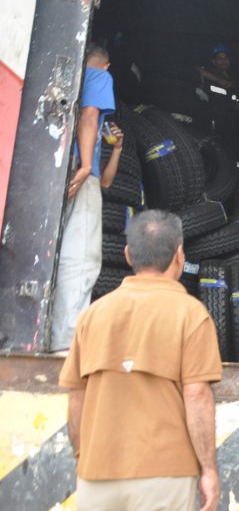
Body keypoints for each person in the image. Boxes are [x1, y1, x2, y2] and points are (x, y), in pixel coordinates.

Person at [59, 210, 222, 511]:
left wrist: (84, 457)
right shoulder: (191, 314)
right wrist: (208, 469)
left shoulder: (93, 315)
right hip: (164, 476)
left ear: (127, 254)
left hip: (97, 476)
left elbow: (76, 397)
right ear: (179, 255)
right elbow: (197, 395)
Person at [51, 44, 125, 353]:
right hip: (79, 177)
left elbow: (106, 182)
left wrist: (117, 149)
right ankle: (65, 346)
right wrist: (83, 166)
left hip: (64, 176)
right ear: (106, 65)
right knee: (80, 259)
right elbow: (89, 115)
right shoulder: (97, 76)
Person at [195, 44, 239, 154]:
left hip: (229, 125)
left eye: (226, 58)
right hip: (211, 123)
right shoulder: (209, 75)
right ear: (213, 61)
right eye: (220, 58)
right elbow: (196, 68)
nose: (223, 61)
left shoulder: (234, 79)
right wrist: (219, 80)